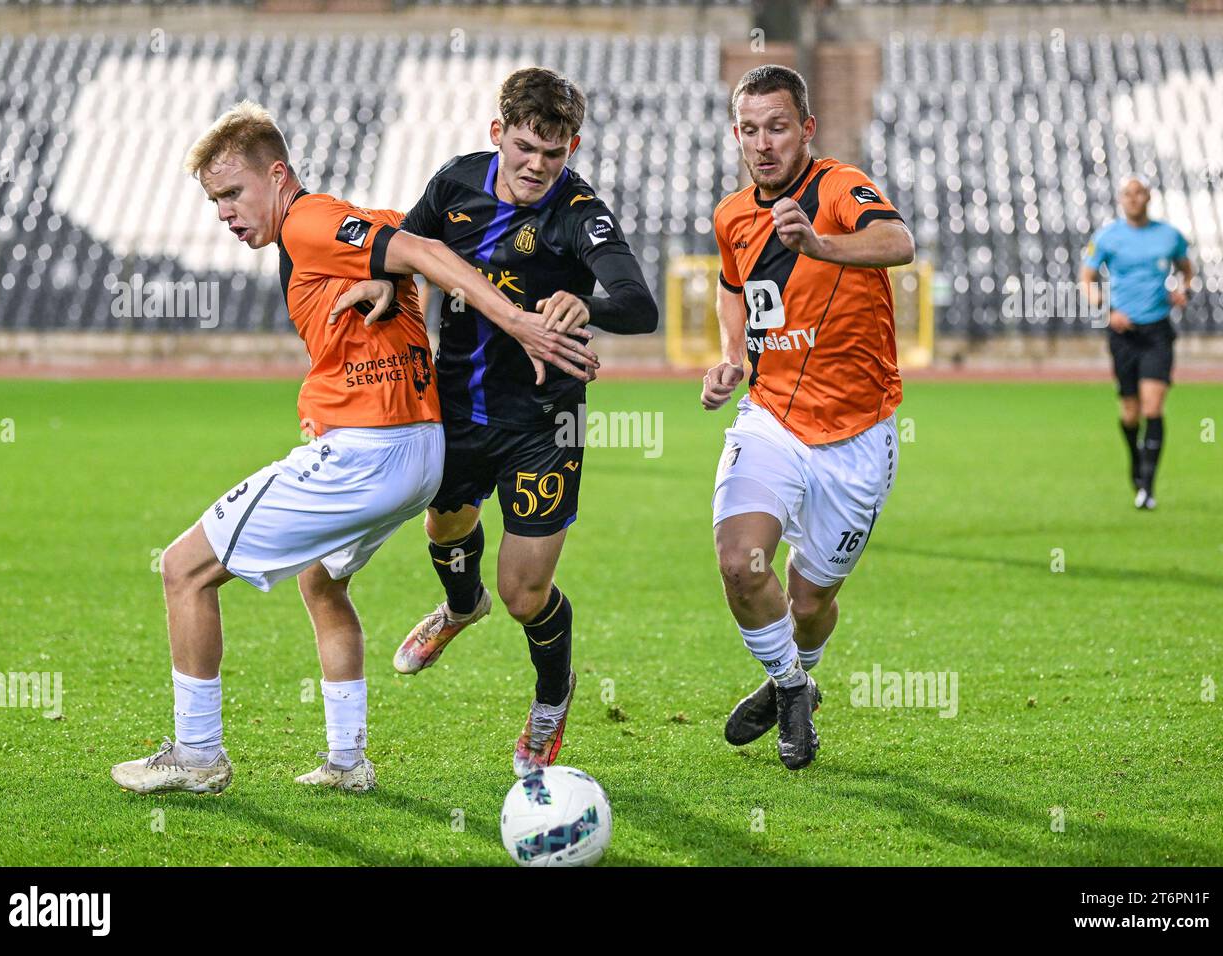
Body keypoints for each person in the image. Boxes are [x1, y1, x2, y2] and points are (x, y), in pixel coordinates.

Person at [110, 100, 597, 795]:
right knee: (322, 579)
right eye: (214, 199)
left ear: (277, 175)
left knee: (185, 570)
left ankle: (196, 753)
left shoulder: (308, 221)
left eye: (232, 192)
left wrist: (518, 320)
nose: (224, 210)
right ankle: (347, 763)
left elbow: (427, 252)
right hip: (422, 448)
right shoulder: (351, 224)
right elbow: (420, 244)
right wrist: (398, 286)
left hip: (370, 450)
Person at [339, 67, 657, 777]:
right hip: (456, 409)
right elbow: (404, 248)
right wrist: (383, 284)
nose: (539, 167)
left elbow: (640, 304)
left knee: (525, 594)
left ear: (571, 148)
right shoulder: (455, 184)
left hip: (546, 425)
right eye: (525, 149)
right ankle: (459, 606)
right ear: (497, 135)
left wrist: (589, 307)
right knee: (443, 527)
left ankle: (552, 697)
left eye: (555, 153)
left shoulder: (579, 213)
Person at [701, 65, 913, 770]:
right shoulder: (732, 215)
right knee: (740, 562)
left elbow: (897, 242)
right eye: (751, 129)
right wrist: (733, 355)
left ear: (806, 130)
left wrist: (820, 245)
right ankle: (792, 687)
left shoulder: (837, 187)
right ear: (738, 134)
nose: (764, 143)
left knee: (811, 598)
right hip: (772, 419)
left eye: (778, 126)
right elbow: (734, 287)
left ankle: (793, 674)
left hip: (857, 435)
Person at [1081, 177, 1192, 510]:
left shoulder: (1169, 236)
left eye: (1138, 193)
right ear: (1120, 199)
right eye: (1127, 194)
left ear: (1148, 197)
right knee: (1130, 413)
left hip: (1157, 330)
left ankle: (1148, 485)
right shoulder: (1107, 237)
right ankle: (1135, 458)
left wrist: (1183, 289)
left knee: (1152, 407)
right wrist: (1105, 309)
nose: (1133, 199)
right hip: (1123, 333)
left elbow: (1187, 270)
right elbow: (1086, 278)